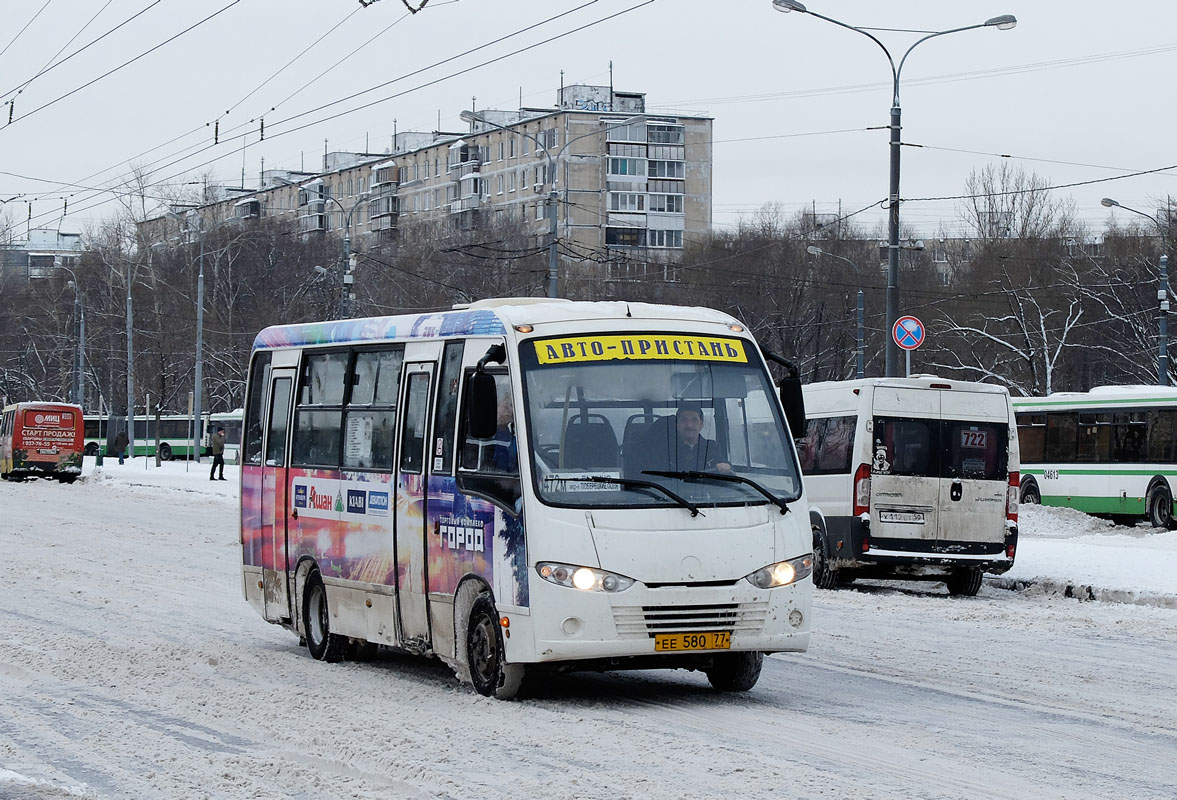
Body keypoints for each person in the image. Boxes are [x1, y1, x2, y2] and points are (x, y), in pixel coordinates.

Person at [666, 402, 731, 473]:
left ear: (701, 425)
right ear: (677, 425)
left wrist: (725, 466)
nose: (689, 426)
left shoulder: (711, 447)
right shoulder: (666, 448)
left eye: (695, 420)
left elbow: (723, 463)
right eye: (684, 420)